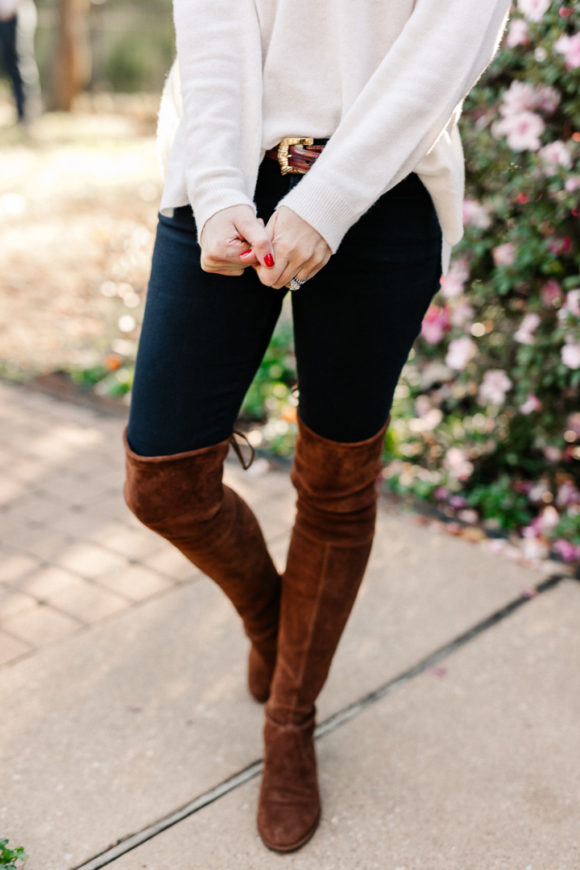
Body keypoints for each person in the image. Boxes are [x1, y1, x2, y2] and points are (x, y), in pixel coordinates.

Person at [123, 0, 512, 853]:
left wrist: (330, 199)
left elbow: (451, 39)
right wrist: (222, 187)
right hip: (224, 161)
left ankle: (290, 719)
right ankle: (278, 621)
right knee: (163, 480)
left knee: (337, 477)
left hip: (387, 181)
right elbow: (216, 25)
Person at [0, 0, 40, 125]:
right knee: (10, 64)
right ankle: (20, 112)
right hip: (4, 16)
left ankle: (27, 113)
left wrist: (12, 10)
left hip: (18, 14)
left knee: (21, 65)